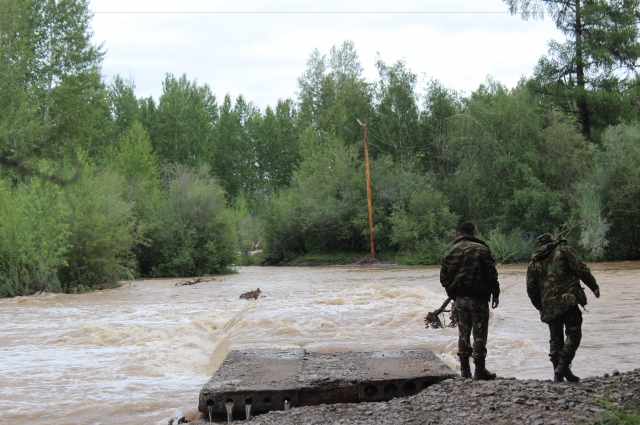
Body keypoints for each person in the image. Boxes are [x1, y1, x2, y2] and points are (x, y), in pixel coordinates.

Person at [526, 233, 600, 383]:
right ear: (551, 241)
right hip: (568, 300)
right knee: (574, 333)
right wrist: (593, 286)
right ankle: (563, 366)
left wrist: (540, 306)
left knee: (555, 339)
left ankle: (557, 375)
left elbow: (531, 288)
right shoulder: (564, 250)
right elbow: (580, 268)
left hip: (548, 305)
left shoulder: (534, 262)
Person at [440, 222, 500, 380]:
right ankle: (479, 370)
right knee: (479, 334)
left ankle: (464, 371)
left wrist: (454, 294)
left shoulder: (450, 251)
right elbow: (491, 275)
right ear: (474, 232)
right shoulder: (482, 250)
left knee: (463, 334)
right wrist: (495, 293)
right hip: (478, 298)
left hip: (459, 298)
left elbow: (444, 278)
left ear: (459, 233)